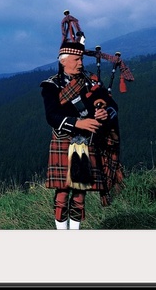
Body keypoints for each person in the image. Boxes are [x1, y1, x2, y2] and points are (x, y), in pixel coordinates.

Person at [39, 41, 125, 229]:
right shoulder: (51, 85)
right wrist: (78, 123)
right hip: (64, 140)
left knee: (80, 191)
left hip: (87, 141)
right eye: (76, 59)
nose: (80, 63)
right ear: (63, 61)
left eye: (81, 59)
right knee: (62, 191)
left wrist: (103, 113)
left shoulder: (91, 82)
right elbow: (52, 116)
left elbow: (112, 106)